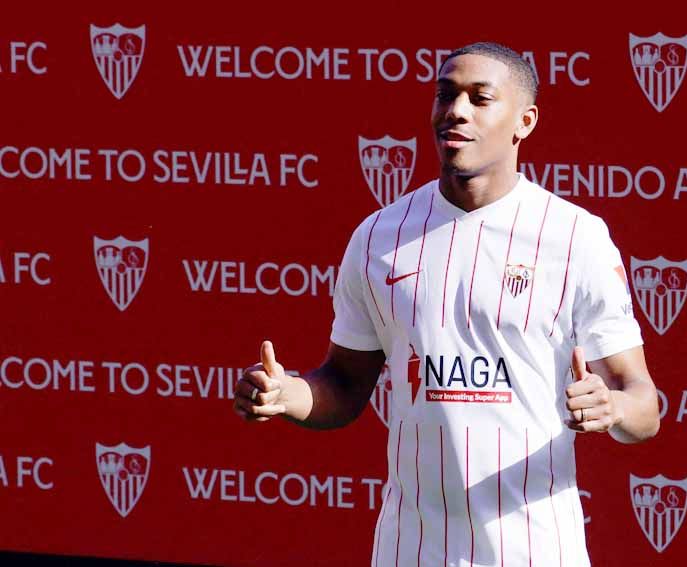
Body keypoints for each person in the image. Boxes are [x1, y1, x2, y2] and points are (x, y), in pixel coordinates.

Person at [233, 41, 660, 567]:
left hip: (534, 551)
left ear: (524, 122)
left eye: (480, 98)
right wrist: (287, 394)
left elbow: (643, 404)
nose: (456, 110)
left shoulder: (576, 238)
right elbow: (343, 385)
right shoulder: (377, 238)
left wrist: (613, 406)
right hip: (409, 551)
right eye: (445, 94)